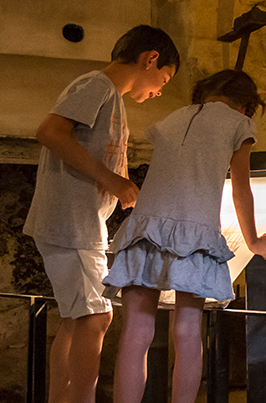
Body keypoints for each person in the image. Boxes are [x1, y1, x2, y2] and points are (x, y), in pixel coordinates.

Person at [21, 24, 179, 403]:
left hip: (79, 223)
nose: (160, 90)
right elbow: (50, 132)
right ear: (150, 59)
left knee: (77, 319)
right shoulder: (96, 85)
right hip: (70, 224)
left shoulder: (110, 98)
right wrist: (112, 179)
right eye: (164, 79)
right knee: (97, 317)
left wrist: (122, 185)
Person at [104, 69, 266, 403]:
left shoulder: (174, 117)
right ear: (245, 105)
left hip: (146, 228)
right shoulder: (239, 125)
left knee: (136, 331)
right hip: (195, 232)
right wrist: (255, 241)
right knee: (186, 331)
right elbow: (241, 190)